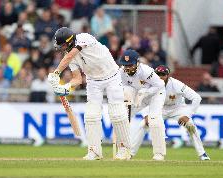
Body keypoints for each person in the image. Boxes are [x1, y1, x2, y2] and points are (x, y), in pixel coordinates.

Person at [47, 27, 131, 160]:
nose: (62, 48)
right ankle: (94, 151)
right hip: (93, 81)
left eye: (63, 45)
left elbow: (70, 55)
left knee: (117, 113)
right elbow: (78, 79)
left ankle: (124, 150)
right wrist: (66, 87)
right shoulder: (70, 58)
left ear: (69, 41)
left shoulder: (84, 38)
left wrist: (56, 72)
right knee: (91, 115)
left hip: (112, 77)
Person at [130, 65, 210, 160]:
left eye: (163, 74)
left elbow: (196, 97)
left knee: (190, 125)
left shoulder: (176, 84)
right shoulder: (150, 84)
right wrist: (146, 115)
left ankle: (202, 154)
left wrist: (188, 115)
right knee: (143, 124)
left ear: (168, 75)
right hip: (159, 109)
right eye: (158, 74)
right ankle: (130, 153)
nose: (160, 77)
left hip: (178, 108)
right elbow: (144, 101)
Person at [119, 49, 167, 161]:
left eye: (130, 65)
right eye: (125, 65)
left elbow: (160, 84)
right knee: (123, 116)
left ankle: (159, 153)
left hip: (156, 94)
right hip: (139, 95)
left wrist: (146, 92)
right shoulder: (121, 72)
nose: (127, 68)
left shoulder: (146, 71)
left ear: (137, 63)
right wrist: (128, 95)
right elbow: (125, 86)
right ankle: (125, 151)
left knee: (154, 120)